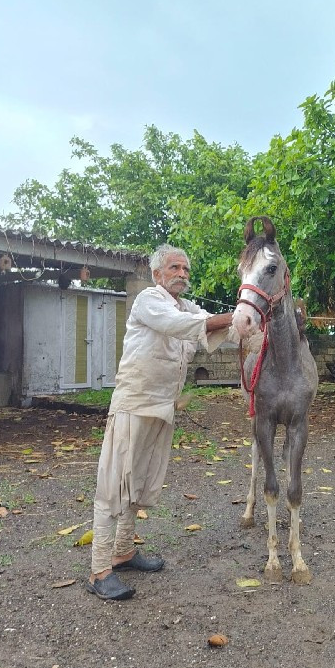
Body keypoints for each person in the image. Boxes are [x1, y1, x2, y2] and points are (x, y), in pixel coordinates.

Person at [87, 244, 234, 600]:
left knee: (137, 482)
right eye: (174, 268)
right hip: (134, 405)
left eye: (185, 268)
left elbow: (213, 328)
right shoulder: (148, 301)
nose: (182, 274)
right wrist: (236, 316)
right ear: (158, 274)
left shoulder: (186, 306)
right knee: (114, 484)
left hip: (162, 408)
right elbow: (184, 327)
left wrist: (254, 317)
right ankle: (98, 570)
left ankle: (123, 552)